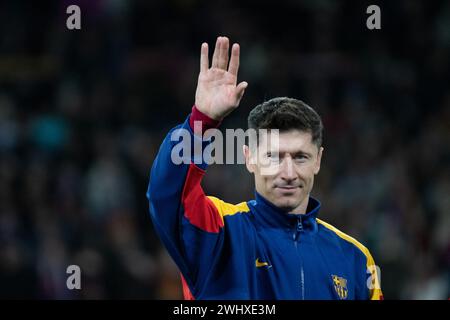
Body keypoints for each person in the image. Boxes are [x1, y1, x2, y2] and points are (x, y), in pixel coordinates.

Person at [147, 36, 383, 300]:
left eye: (301, 157)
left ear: (318, 160)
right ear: (249, 157)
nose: (288, 173)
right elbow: (165, 196)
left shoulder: (356, 260)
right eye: (273, 157)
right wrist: (202, 120)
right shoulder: (220, 231)